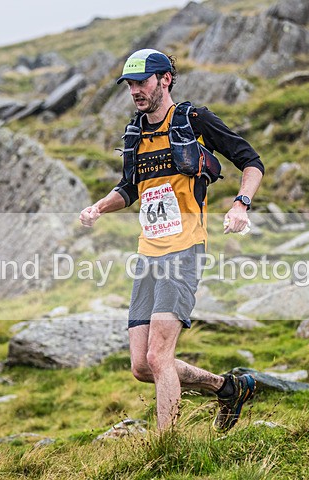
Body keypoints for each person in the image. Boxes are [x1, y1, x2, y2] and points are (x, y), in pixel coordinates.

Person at [79, 48, 264, 432]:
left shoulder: (194, 120)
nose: (135, 91)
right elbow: (129, 188)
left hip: (184, 250)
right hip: (147, 255)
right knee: (141, 366)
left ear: (165, 79)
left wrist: (241, 205)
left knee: (160, 357)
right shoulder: (135, 133)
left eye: (141, 82)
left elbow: (251, 162)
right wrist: (99, 207)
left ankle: (167, 446)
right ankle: (227, 389)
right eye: (130, 85)